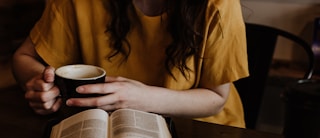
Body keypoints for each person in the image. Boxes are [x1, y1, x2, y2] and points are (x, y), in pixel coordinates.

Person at [12, 0, 249, 128]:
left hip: (200, 132)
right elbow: (24, 59)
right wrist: (41, 85)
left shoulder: (219, 4)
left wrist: (141, 99)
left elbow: (217, 98)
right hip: (101, 129)